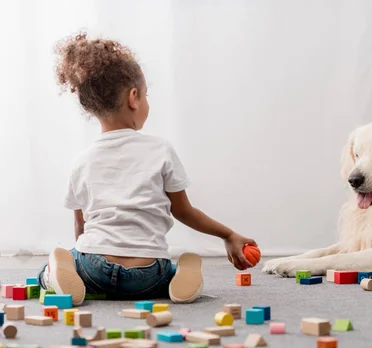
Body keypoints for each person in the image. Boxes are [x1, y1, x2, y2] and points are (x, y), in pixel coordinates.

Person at [38, 32, 256, 306]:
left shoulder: (82, 160)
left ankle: (60, 272)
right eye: (147, 95)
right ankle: (180, 275)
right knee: (166, 272)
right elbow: (184, 211)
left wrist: (84, 259)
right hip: (149, 273)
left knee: (57, 264)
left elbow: (81, 228)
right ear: (134, 98)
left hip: (95, 267)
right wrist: (228, 235)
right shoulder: (161, 150)